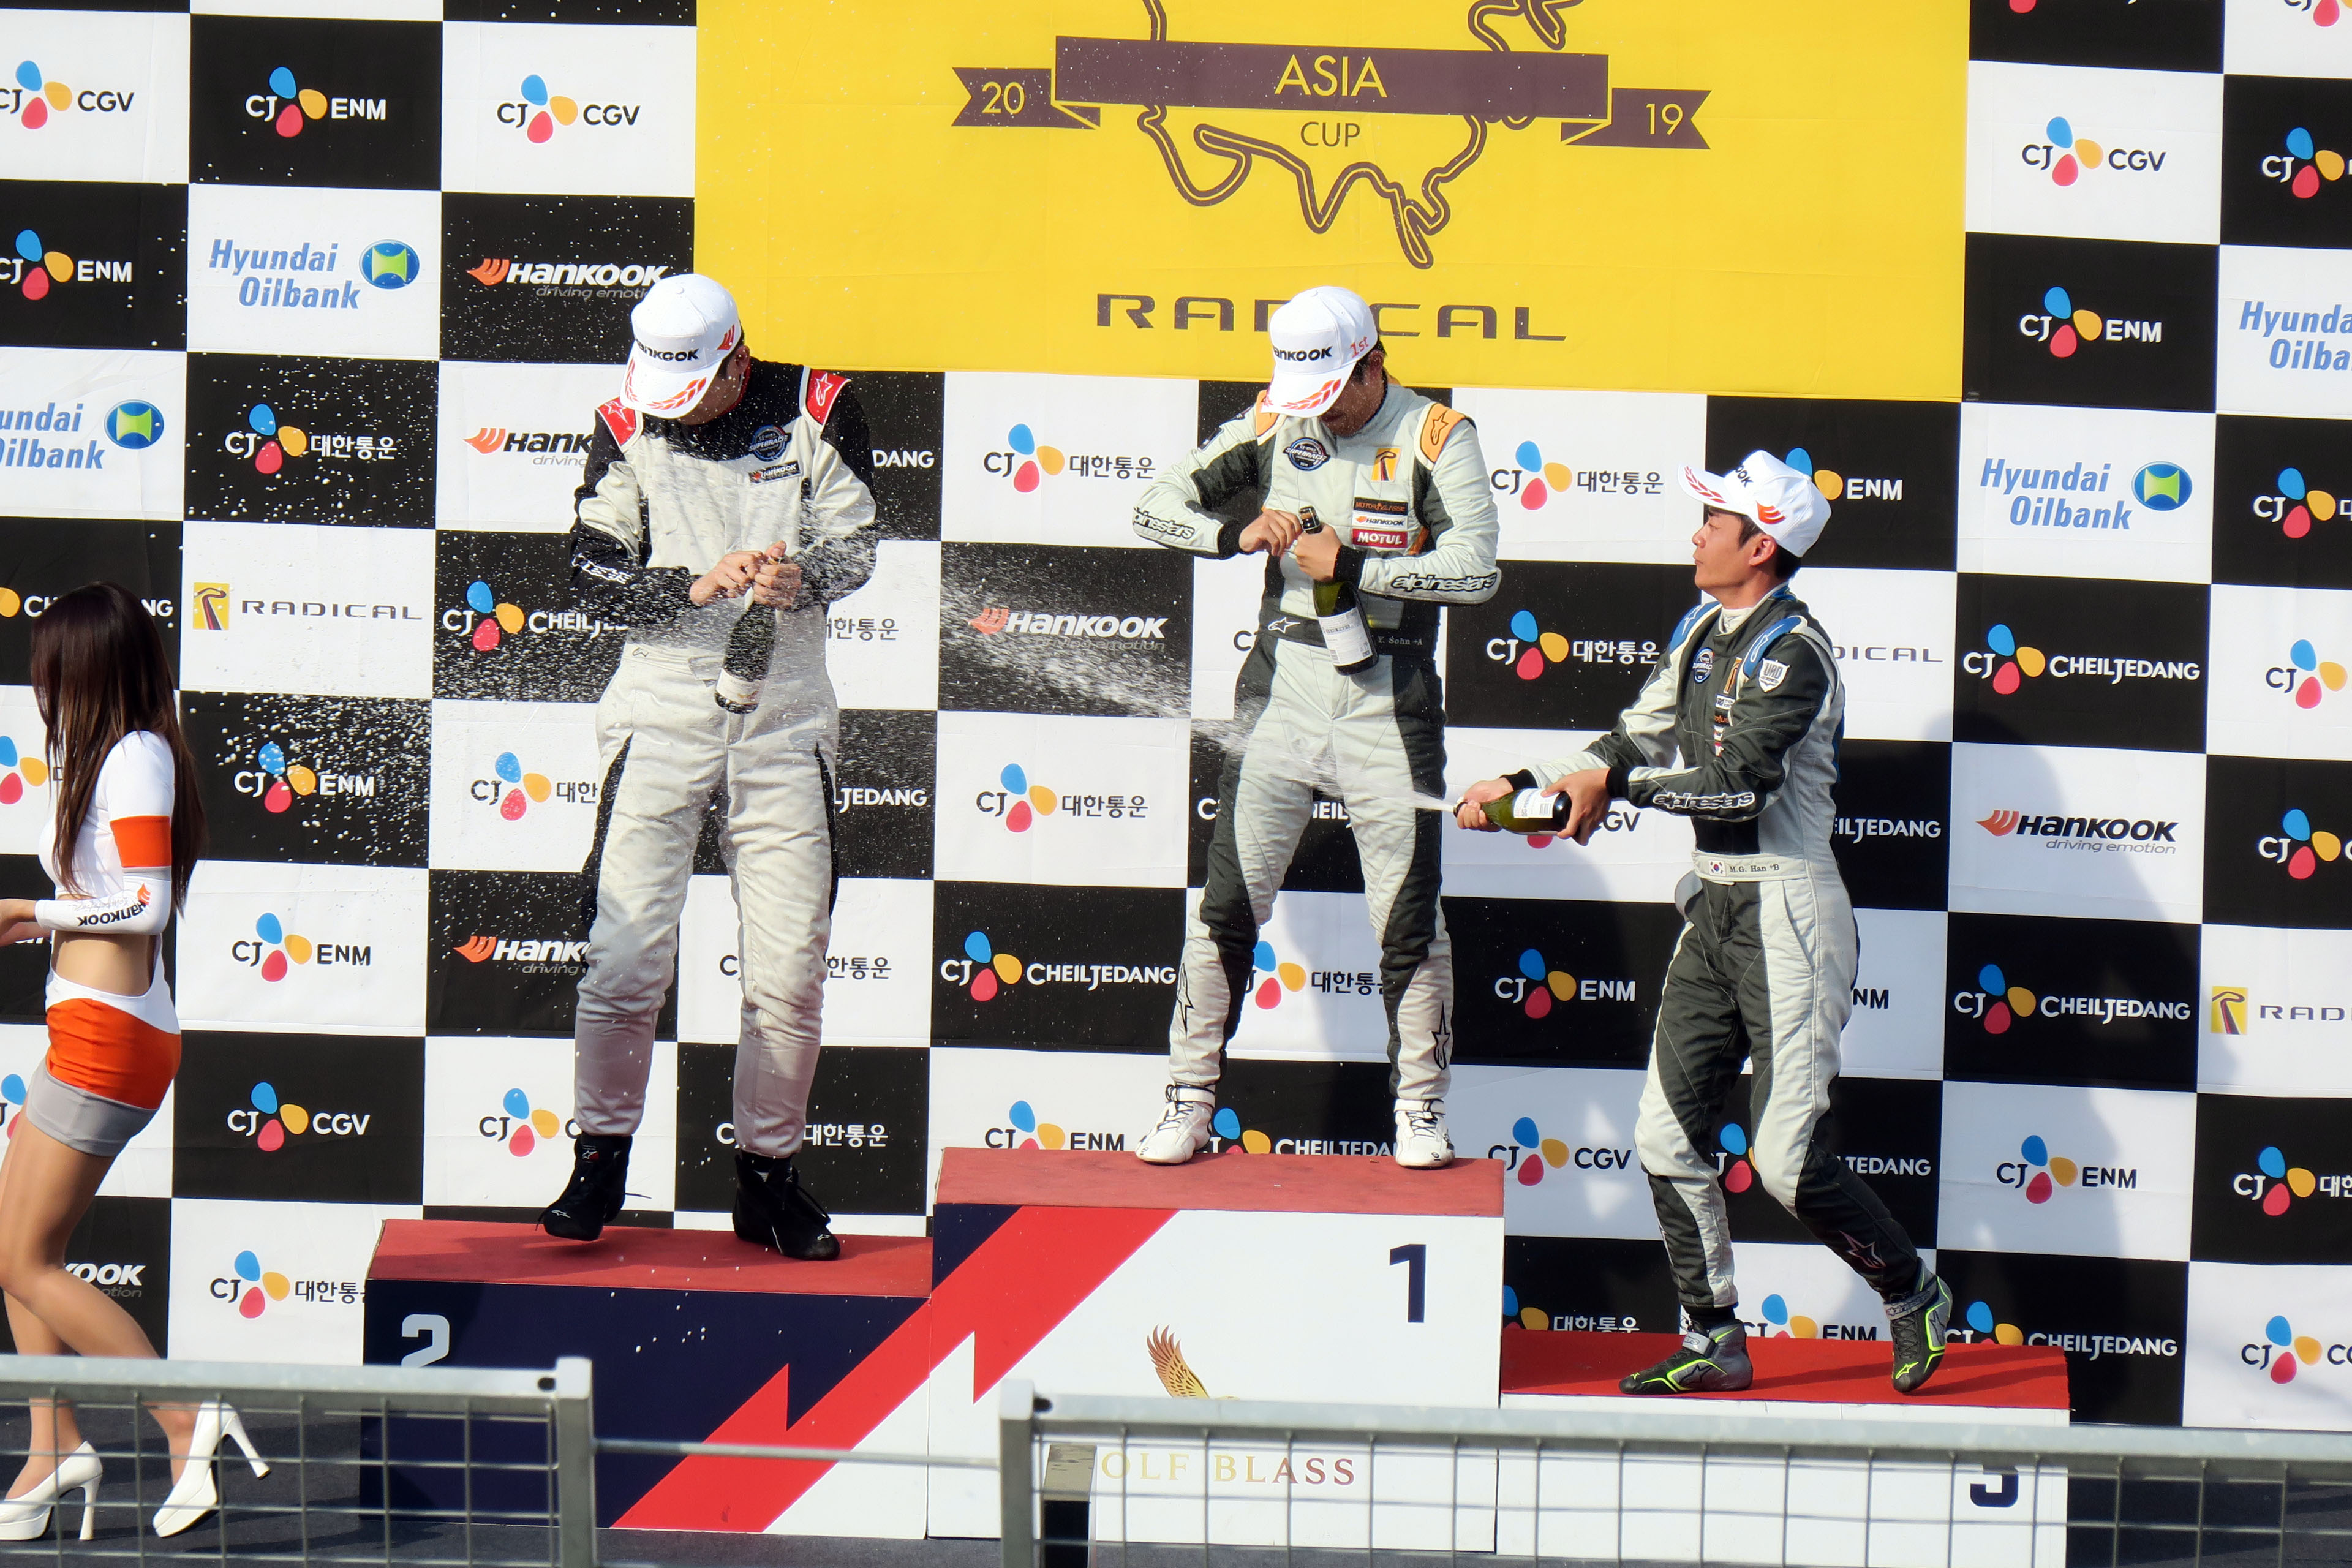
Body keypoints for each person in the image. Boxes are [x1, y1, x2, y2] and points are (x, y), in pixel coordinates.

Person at [1458, 452, 1951, 1396]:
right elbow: (1629, 740)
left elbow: (1738, 789)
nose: (1696, 534)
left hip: (1789, 913)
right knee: (1665, 1137)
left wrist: (1614, 788)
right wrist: (1523, 787)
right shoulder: (1699, 626)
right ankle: (1714, 1337)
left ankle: (1910, 1290)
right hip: (1715, 907)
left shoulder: (1795, 652)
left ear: (1760, 546)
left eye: (1714, 522)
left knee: (1785, 1163)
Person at [537, 273, 878, 1260]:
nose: (677, 413)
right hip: (661, 707)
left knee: (789, 969)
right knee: (625, 954)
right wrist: (691, 586)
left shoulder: (819, 403)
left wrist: (804, 576)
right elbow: (589, 571)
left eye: (694, 392)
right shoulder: (623, 418)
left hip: (785, 714)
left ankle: (769, 1179)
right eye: (665, 396)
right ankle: (599, 1160)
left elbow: (858, 546)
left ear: (737, 358)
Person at [1130, 285, 1501, 1170]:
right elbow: (1151, 505)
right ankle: (1187, 1099)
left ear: (1373, 363)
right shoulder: (1275, 419)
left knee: (1406, 921)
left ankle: (1420, 1109)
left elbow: (1478, 571)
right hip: (1283, 690)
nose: (1320, 414)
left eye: (1332, 393)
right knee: (1226, 906)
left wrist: (1356, 565)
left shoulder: (1438, 436)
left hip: (1389, 696)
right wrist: (1233, 532)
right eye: (1308, 396)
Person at [0, 583, 270, 1539]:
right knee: (14, 1251)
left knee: (27, 1261)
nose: (40, 682)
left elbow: (147, 904)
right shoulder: (108, 755)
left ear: (88, 665)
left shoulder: (136, 757)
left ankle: (186, 1416)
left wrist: (31, 913)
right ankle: (53, 1450)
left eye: (51, 665)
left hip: (108, 1039)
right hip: (90, 1029)